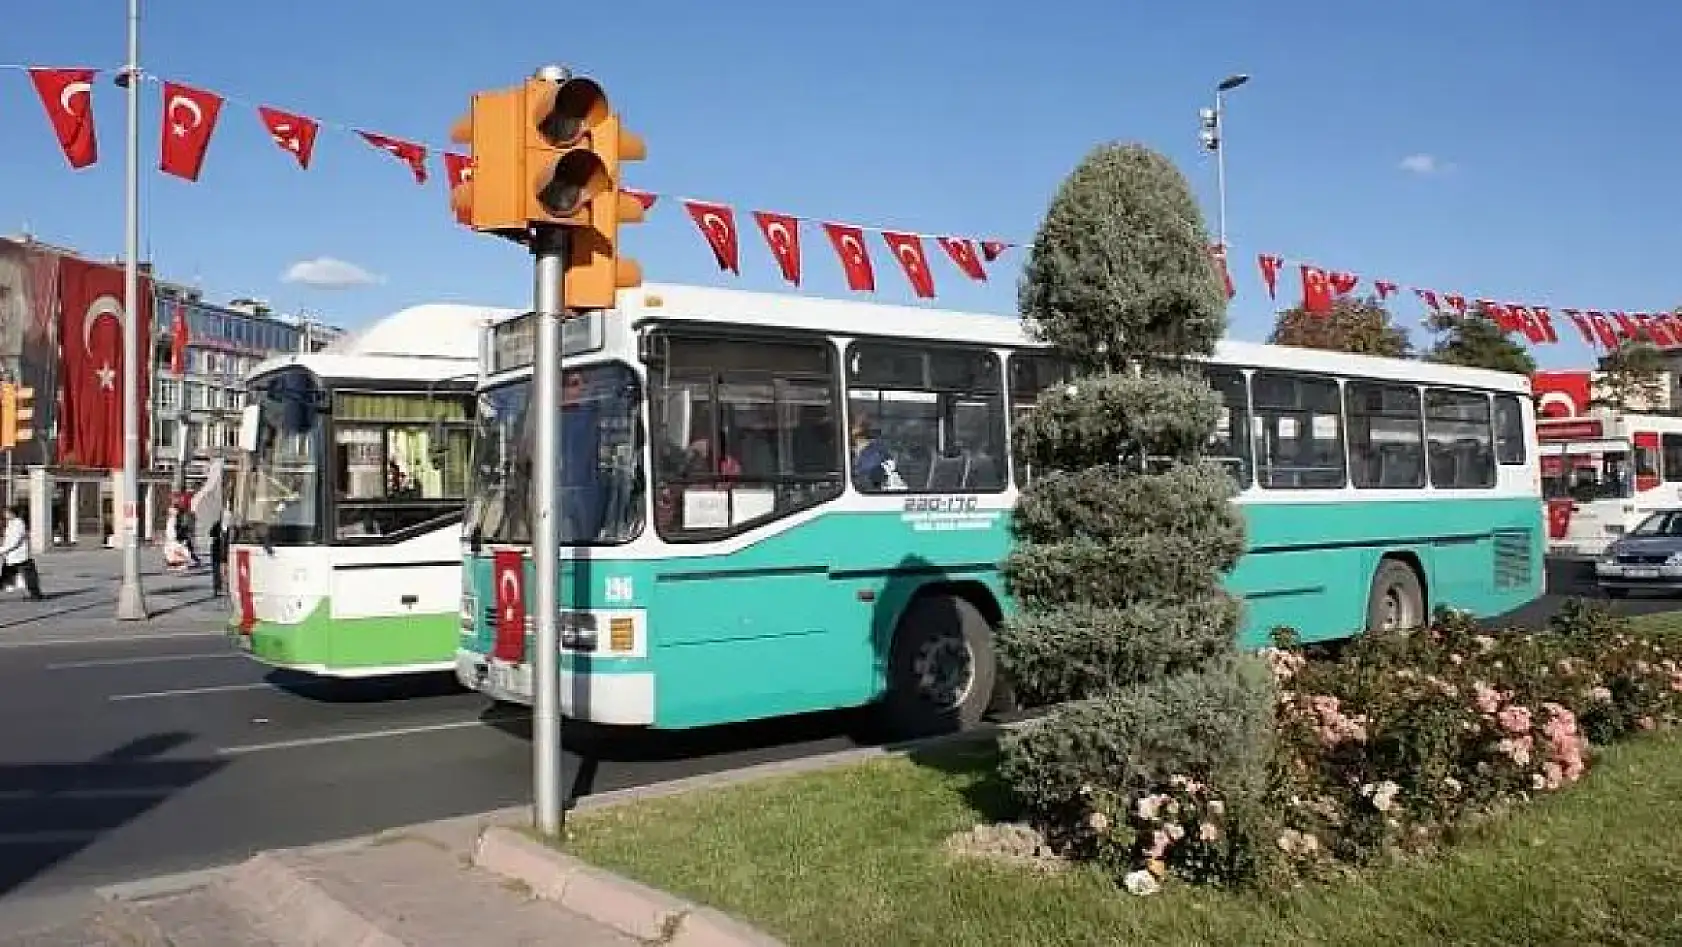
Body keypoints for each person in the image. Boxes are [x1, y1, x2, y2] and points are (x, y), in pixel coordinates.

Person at [0, 504, 42, 600]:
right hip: (12, 556)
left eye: (6, 512)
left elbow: (14, 542)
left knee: (30, 576)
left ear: (12, 513)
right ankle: (36, 595)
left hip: (20, 556)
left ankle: (36, 595)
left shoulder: (18, 524)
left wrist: (2, 550)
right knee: (5, 577)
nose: (4, 514)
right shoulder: (11, 523)